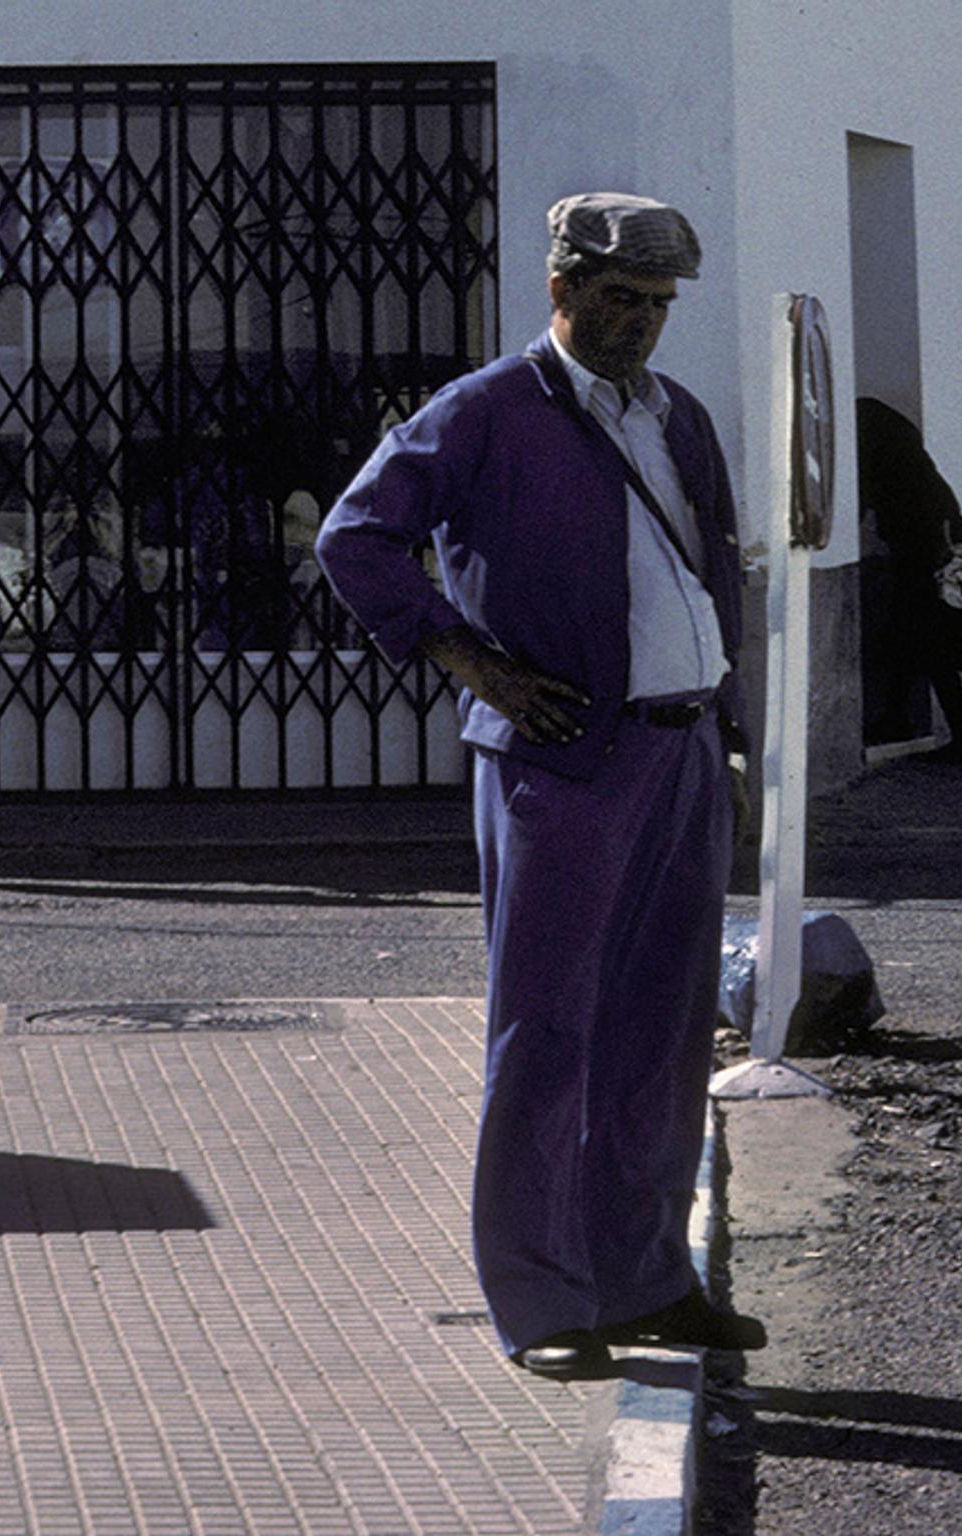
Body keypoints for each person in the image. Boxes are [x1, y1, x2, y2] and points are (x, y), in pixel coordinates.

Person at [314, 192, 769, 1381]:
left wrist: (735, 736)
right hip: (562, 759)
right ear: (560, 291)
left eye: (659, 306)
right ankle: (542, 1301)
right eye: (619, 300)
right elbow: (355, 538)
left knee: (665, 1030)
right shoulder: (486, 412)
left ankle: (648, 1278)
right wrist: (468, 659)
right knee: (548, 1032)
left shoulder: (682, 419)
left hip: (679, 751)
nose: (640, 326)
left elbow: (716, 578)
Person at [856, 397, 962, 762]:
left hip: (927, 563)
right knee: (910, 642)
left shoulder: (895, 473)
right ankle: (903, 719)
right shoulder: (918, 472)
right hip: (930, 560)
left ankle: (959, 737)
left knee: (930, 649)